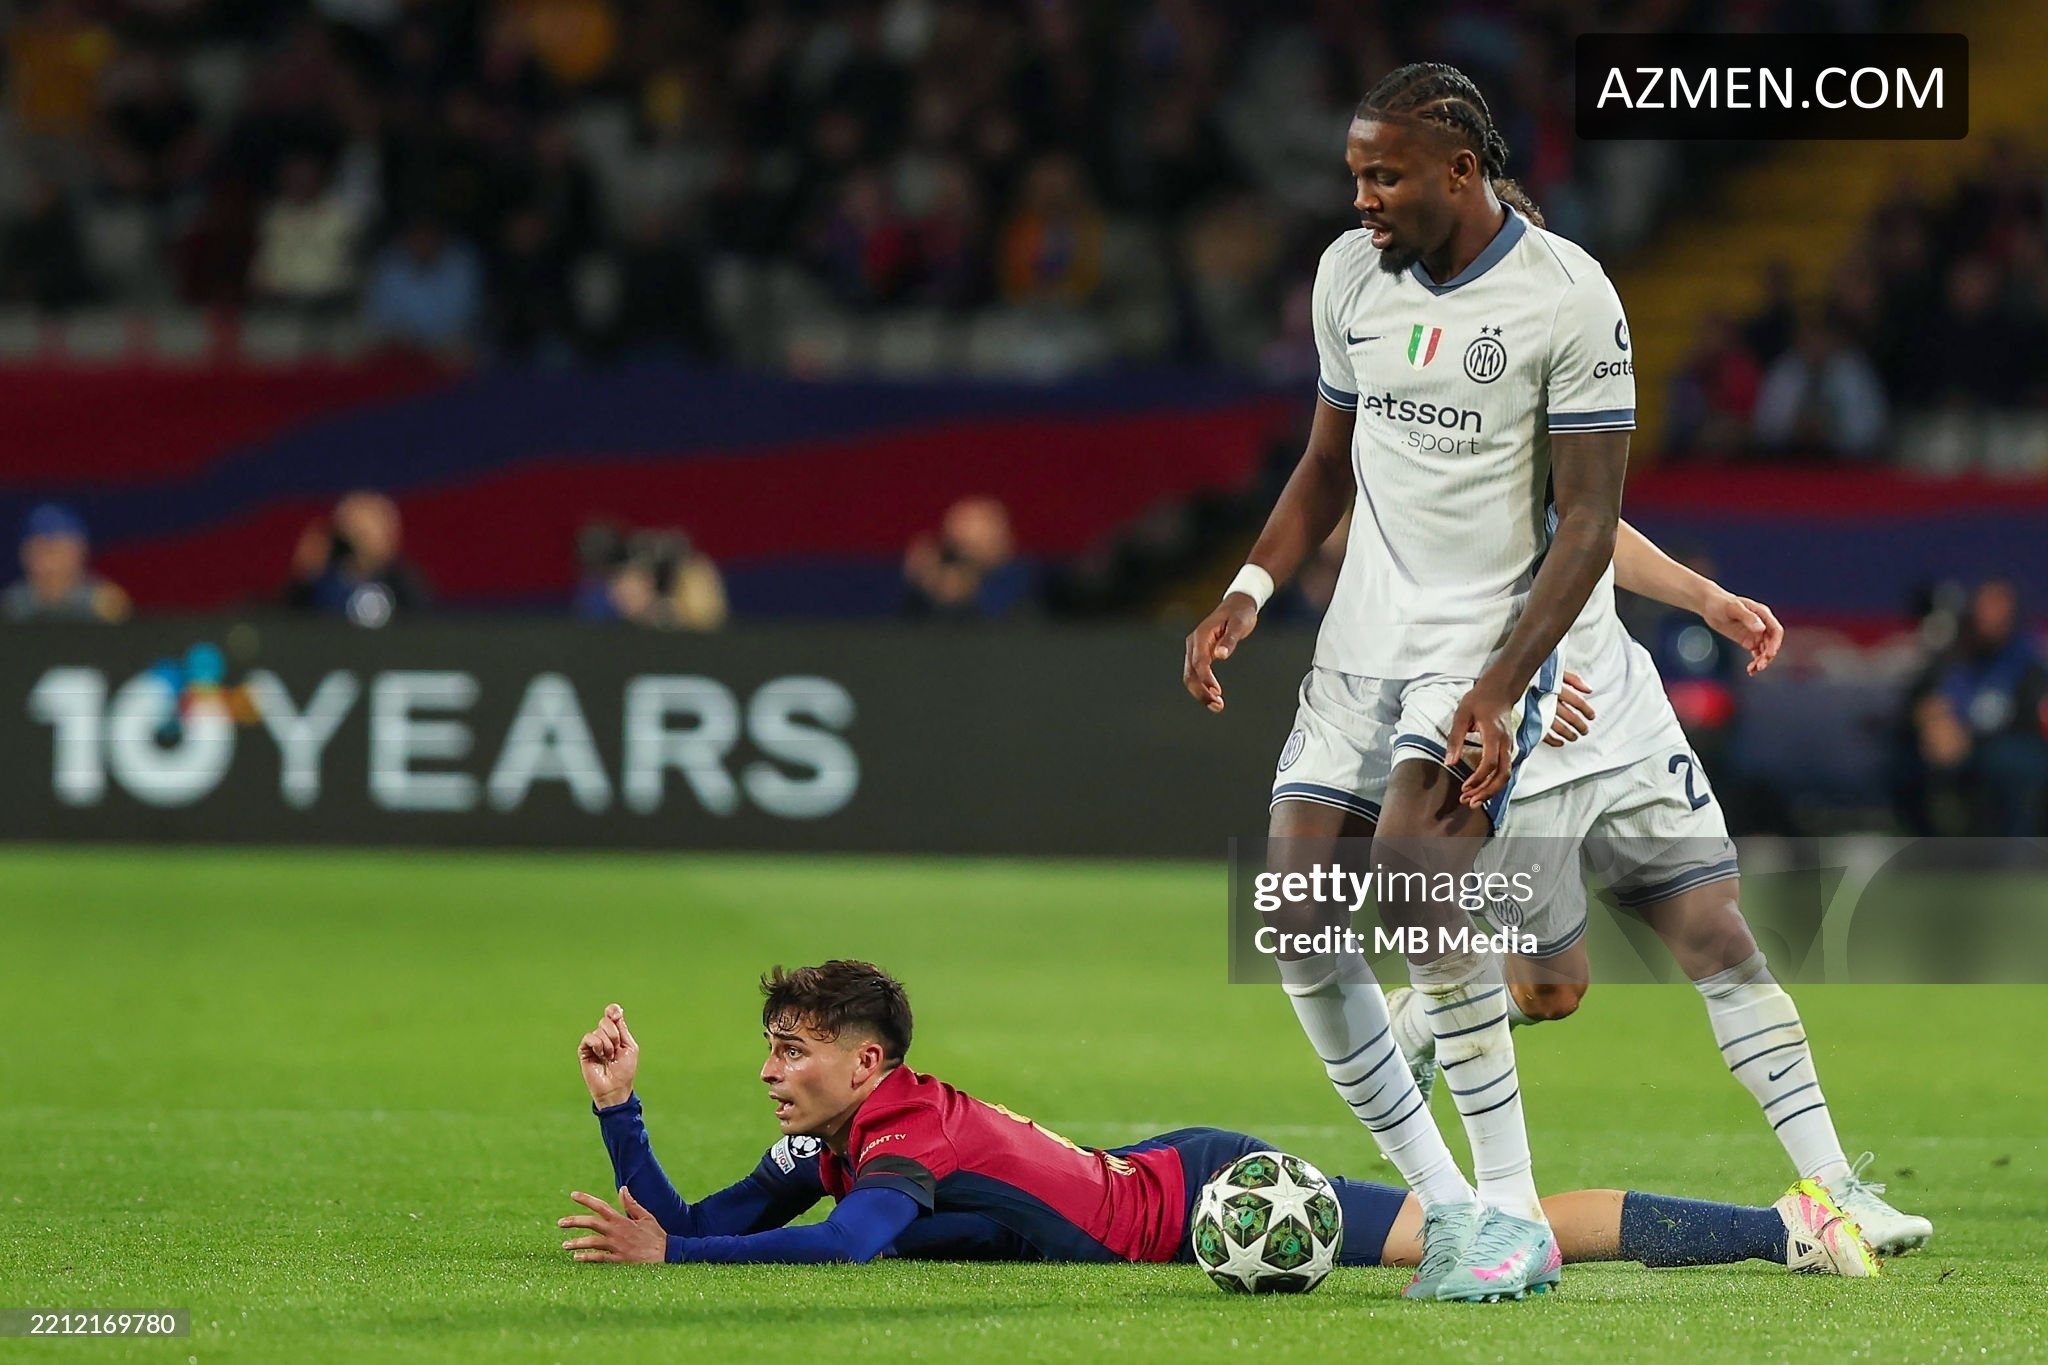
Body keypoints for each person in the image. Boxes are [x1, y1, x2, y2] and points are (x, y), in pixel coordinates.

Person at [1181, 62, 1633, 1301]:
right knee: (1293, 922)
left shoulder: (1567, 296)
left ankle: (1510, 1205)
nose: (1361, 198)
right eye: (1354, 175)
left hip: (1483, 640)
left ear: (1459, 169)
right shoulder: (1346, 277)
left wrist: (1503, 684)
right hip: (1360, 639)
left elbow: (1589, 522)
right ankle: (1449, 1211)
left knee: (1413, 867)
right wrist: (1248, 589)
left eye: (1383, 175)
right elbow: (1325, 464)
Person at [555, 964, 1876, 1280]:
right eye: (770, 1050)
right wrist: (624, 1116)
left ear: (867, 1060)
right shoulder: (838, 1137)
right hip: (1157, 1174)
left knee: (1488, 1228)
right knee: (1480, 1228)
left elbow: (845, 1248)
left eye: (791, 1052)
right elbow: (694, 1224)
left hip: (1201, 1196)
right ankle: (1786, 1226)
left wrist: (678, 1255)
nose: (771, 1071)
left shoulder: (904, 1142)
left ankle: (1784, 1228)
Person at [1382, 527, 1933, 1256]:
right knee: (1552, 991)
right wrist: (1480, 689)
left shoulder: (1557, 447)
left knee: (1719, 934)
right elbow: (1393, 589)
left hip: (1624, 717)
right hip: (1519, 742)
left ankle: (1835, 1187)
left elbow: (1591, 524)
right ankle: (1421, 1022)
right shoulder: (1414, 472)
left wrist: (1702, 597)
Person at [287, 491, 432, 626]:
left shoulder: (403, 584)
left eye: (380, 529)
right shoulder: (319, 581)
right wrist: (303, 575)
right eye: (363, 531)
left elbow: (424, 625)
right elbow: (287, 619)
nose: (372, 539)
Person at [2, 503, 129, 623]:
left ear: (79, 554)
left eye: (58, 552)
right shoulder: (11, 605)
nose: (50, 564)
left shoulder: (105, 604)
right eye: (40, 552)